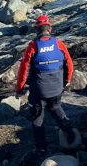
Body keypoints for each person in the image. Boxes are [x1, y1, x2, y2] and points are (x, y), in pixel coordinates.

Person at [15, 14, 77, 151]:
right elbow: (69, 65)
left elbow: (23, 70)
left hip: (39, 90)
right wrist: (66, 82)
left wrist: (19, 89)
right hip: (56, 87)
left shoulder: (33, 47)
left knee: (37, 117)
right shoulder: (59, 44)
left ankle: (41, 148)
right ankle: (71, 132)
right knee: (55, 107)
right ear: (49, 28)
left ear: (37, 30)